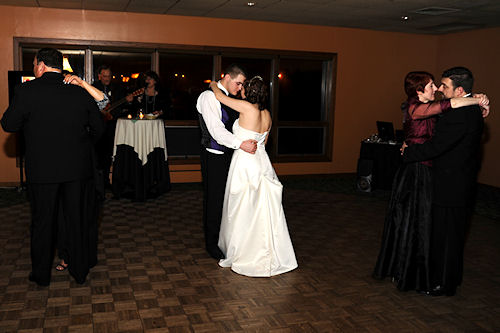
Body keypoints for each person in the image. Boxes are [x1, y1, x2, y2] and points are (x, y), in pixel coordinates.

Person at [373, 71, 488, 293]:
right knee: (418, 225)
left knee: (441, 234)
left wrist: (478, 100)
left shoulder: (462, 113)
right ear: (419, 90)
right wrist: (478, 99)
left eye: (442, 85)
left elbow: (438, 143)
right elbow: (444, 114)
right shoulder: (417, 107)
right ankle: (416, 273)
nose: (437, 89)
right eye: (433, 85)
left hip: (448, 181)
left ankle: (440, 283)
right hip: (424, 174)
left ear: (459, 90)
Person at [1, 48, 104, 286]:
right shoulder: (79, 93)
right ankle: (79, 271)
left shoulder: (26, 91)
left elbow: (9, 124)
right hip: (76, 170)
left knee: (42, 222)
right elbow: (99, 128)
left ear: (41, 66)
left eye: (35, 64)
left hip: (42, 171)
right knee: (76, 220)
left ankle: (41, 276)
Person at [210, 76, 298, 277]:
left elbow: (218, 96)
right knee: (263, 210)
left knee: (241, 208)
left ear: (246, 92)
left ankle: (244, 252)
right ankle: (269, 252)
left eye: (243, 87)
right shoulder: (267, 114)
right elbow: (263, 143)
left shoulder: (245, 107)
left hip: (245, 163)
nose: (240, 89)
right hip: (261, 161)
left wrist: (214, 84)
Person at [196, 64, 257, 259]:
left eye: (242, 85)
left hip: (229, 155)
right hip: (213, 155)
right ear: (227, 77)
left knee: (227, 200)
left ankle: (225, 239)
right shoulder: (207, 97)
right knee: (214, 200)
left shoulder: (228, 98)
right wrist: (241, 144)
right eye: (238, 83)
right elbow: (216, 130)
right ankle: (212, 244)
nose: (240, 88)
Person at [93, 65, 133, 189]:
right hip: (97, 127)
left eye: (109, 76)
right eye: (104, 76)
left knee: (108, 155)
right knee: (96, 156)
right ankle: (95, 183)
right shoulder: (93, 88)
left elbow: (123, 108)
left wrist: (129, 101)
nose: (107, 78)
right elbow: (88, 106)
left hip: (111, 127)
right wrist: (100, 112)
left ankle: (105, 181)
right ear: (99, 76)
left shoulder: (118, 88)